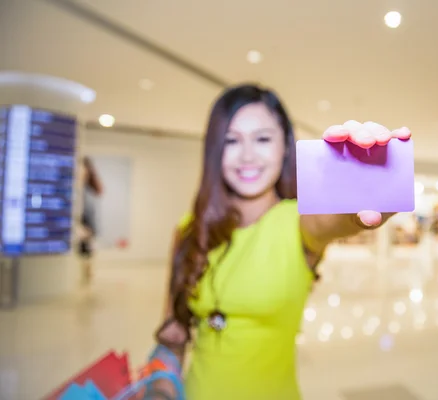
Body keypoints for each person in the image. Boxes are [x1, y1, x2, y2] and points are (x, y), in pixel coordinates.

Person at [154, 84, 412, 400]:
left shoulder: (297, 222)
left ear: (285, 148)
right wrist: (160, 390)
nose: (247, 155)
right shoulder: (188, 229)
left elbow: (329, 221)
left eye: (262, 139)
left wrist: (362, 198)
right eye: (231, 140)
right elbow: (172, 335)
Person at [79, 156, 103, 282]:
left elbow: (89, 212)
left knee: (87, 255)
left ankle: (87, 276)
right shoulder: (81, 189)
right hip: (84, 227)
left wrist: (89, 229)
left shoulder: (88, 190)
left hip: (88, 227)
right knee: (84, 256)